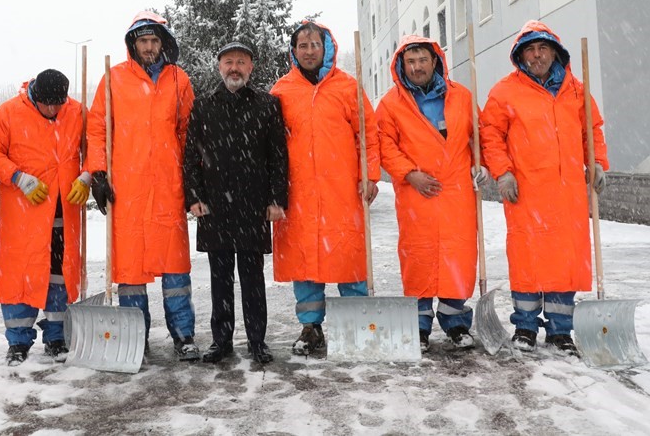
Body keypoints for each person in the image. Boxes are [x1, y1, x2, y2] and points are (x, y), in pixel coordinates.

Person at [480, 21, 608, 355]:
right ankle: (524, 326)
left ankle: (560, 330)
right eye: (530, 50)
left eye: (543, 49)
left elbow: (591, 132)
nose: (537, 56)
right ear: (521, 55)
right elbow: (490, 135)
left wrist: (597, 163)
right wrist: (503, 173)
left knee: (565, 263)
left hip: (567, 196)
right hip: (526, 192)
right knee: (527, 260)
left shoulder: (578, 90)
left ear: (554, 52)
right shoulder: (505, 91)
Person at [86, 10, 199, 361]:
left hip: (168, 186)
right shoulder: (113, 78)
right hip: (128, 190)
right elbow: (98, 129)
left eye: (154, 41)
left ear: (163, 43)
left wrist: (189, 179)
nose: (149, 47)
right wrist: (99, 173)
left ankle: (184, 336)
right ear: (132, 45)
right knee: (130, 269)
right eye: (143, 41)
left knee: (176, 268)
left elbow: (188, 133)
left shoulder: (179, 80)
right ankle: (137, 337)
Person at [270, 20, 381, 356]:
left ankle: (357, 322)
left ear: (326, 47)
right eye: (302, 46)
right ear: (294, 51)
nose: (308, 51)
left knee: (349, 256)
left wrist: (370, 175)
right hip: (299, 192)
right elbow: (272, 145)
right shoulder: (282, 91)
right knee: (305, 261)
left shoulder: (348, 87)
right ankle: (310, 326)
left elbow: (369, 135)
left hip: (342, 190)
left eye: (314, 45)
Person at [376, 36, 488, 352]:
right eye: (410, 62)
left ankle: (456, 324)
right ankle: (419, 327)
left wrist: (482, 164)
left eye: (422, 60)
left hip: (457, 194)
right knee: (419, 258)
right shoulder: (390, 105)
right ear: (401, 66)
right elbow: (385, 145)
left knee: (458, 257)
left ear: (434, 61)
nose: (416, 67)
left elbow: (482, 135)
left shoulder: (462, 97)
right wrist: (410, 174)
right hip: (416, 194)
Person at [183, 41, 288, 365]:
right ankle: (222, 341)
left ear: (251, 68)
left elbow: (278, 158)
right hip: (215, 207)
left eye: (241, 62)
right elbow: (190, 158)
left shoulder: (267, 105)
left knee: (253, 279)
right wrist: (194, 197)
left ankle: (257, 341)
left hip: (253, 206)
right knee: (220, 279)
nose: (234, 68)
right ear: (219, 67)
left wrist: (276, 199)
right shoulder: (203, 107)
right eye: (229, 62)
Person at [0, 69, 89, 366]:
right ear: (35, 96)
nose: (54, 110)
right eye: (48, 105)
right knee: (21, 277)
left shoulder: (77, 112)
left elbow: (96, 146)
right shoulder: (10, 113)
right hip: (24, 217)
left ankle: (56, 336)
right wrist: (18, 177)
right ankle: (18, 341)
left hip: (64, 213)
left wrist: (87, 175)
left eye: (59, 104)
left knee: (59, 277)